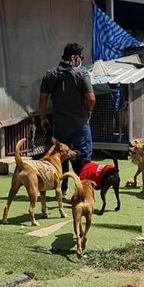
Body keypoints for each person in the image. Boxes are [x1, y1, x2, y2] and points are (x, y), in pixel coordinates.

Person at [38, 42, 96, 192]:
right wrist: (89, 112)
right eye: (81, 57)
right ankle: (83, 187)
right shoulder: (82, 74)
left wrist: (43, 118)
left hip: (59, 124)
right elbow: (91, 98)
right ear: (75, 58)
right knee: (83, 156)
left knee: (60, 157)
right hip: (80, 124)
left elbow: (43, 99)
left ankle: (62, 189)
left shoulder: (50, 74)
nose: (82, 60)